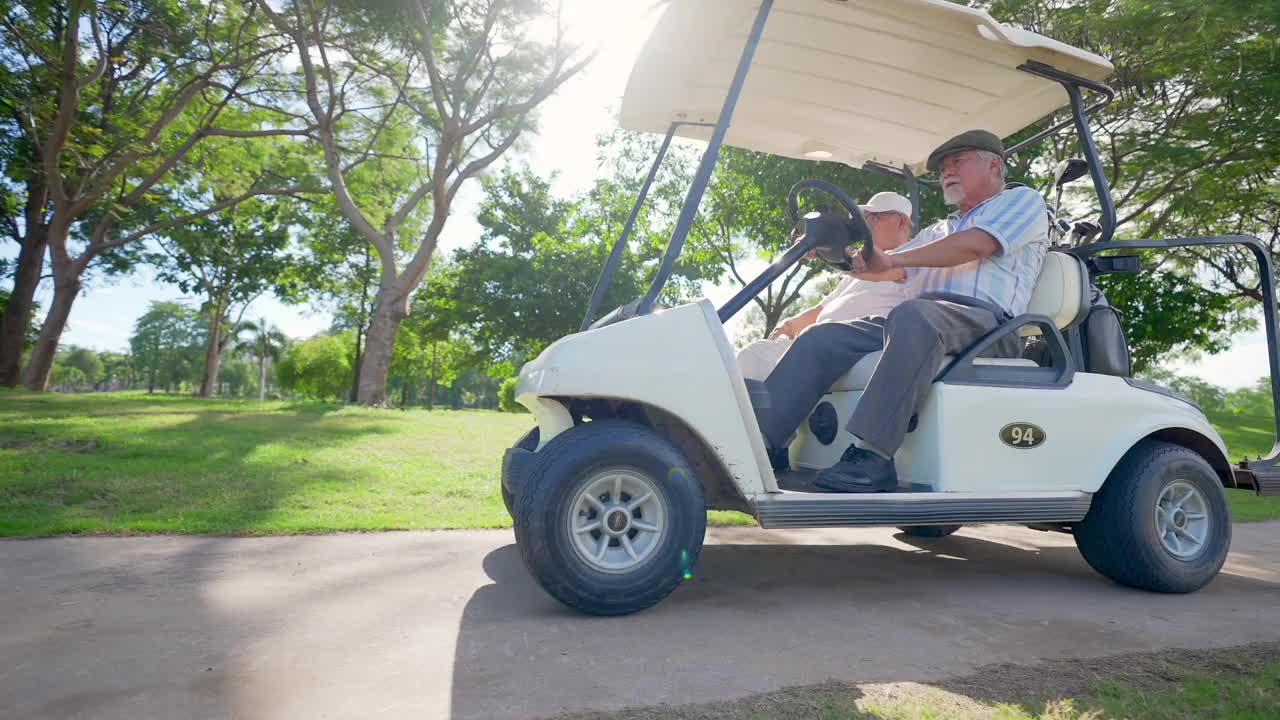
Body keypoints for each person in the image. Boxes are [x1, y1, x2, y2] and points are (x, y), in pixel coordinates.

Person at [756, 129, 1049, 491]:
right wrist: (843, 255)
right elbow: (893, 269)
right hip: (923, 322)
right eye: (942, 167)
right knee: (824, 337)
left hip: (987, 325)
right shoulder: (941, 230)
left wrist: (892, 257)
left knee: (914, 316)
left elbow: (976, 246)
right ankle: (763, 442)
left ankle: (872, 456)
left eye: (957, 161)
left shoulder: (1021, 201)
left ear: (993, 164)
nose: (946, 172)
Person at [736, 192, 915, 380]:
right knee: (750, 356)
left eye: (873, 218)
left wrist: (832, 250)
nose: (865, 227)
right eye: (865, 219)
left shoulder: (913, 259)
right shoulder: (861, 269)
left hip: (853, 343)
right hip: (818, 341)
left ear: (901, 222)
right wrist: (789, 325)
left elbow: (892, 271)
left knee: (757, 360)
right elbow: (823, 307)